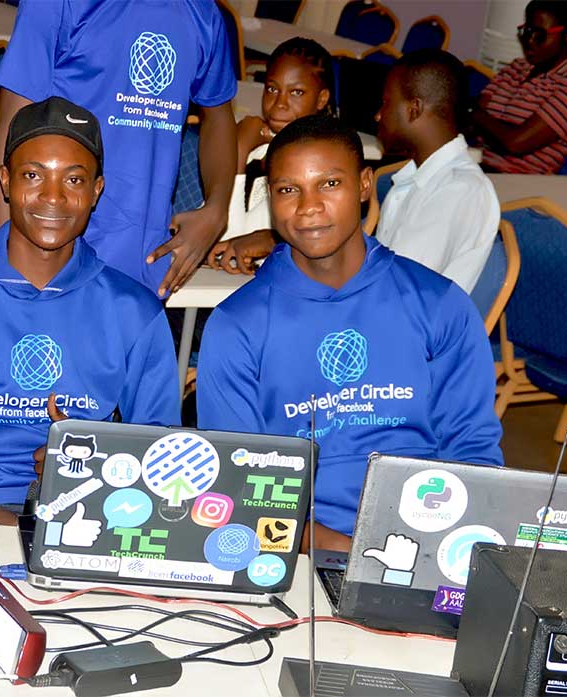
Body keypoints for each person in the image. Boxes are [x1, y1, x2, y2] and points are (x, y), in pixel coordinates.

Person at [196, 115, 503, 552]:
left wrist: (436, 550)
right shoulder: (237, 325)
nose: (309, 206)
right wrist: (349, 554)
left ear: (363, 185)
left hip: (429, 537)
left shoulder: (438, 304)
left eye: (329, 184)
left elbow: (473, 451)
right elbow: (239, 482)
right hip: (296, 548)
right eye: (288, 190)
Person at [0, 97, 180, 524]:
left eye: (74, 179)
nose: (53, 197)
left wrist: (98, 468)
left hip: (90, 516)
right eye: (33, 175)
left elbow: (159, 451)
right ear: (5, 181)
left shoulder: (133, 311)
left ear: (96, 190)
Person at [0, 0, 238, 298]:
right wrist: (8, 273)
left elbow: (219, 115)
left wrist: (216, 209)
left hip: (142, 259)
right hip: (53, 251)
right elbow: (10, 132)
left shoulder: (202, 13)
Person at [374, 49, 500, 293]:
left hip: (406, 314)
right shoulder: (414, 177)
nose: (378, 115)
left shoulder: (458, 190)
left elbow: (400, 291)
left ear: (414, 109)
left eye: (386, 103)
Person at [209, 37, 334, 273]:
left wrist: (238, 152)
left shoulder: (312, 167)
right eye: (272, 89)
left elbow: (229, 247)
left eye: (296, 92)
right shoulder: (260, 144)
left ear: (321, 99)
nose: (279, 104)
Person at [471, 0, 567, 174]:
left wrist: (472, 113)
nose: (530, 41)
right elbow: (469, 125)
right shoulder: (517, 67)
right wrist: (481, 119)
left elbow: (516, 143)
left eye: (539, 35)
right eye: (526, 32)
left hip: (519, 178)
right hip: (476, 166)